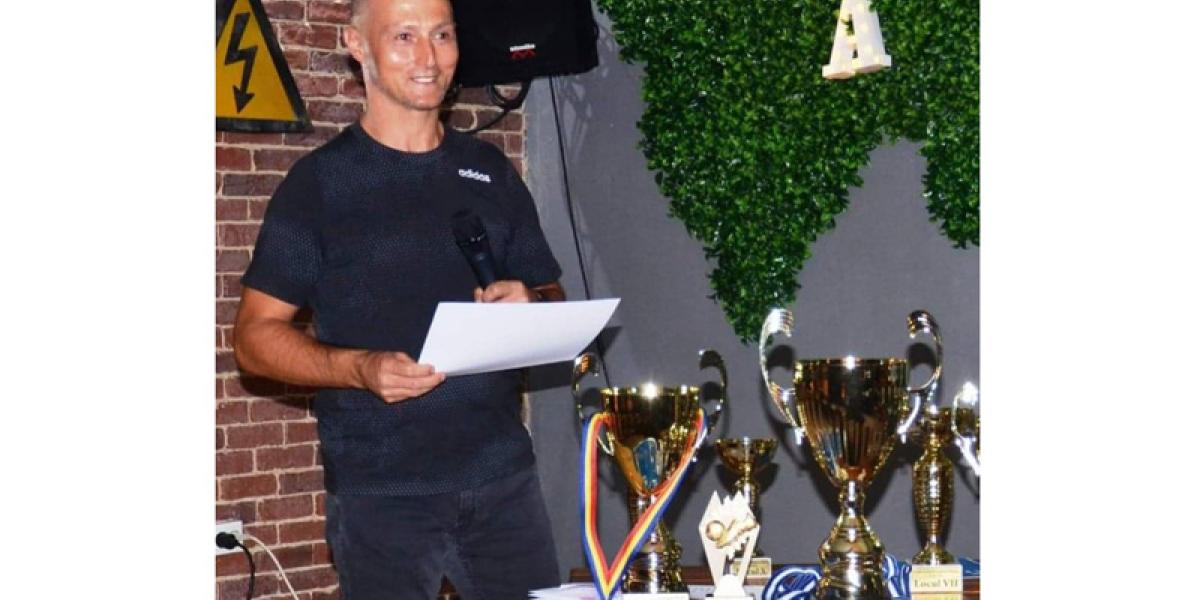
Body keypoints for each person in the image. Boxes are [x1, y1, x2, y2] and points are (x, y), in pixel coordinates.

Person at [231, 0, 564, 597]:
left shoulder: (490, 171)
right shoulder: (319, 185)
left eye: (443, 35)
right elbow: (254, 339)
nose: (428, 57)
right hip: (382, 495)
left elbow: (550, 294)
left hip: (504, 482)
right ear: (357, 46)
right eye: (405, 36)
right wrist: (357, 368)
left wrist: (531, 304)